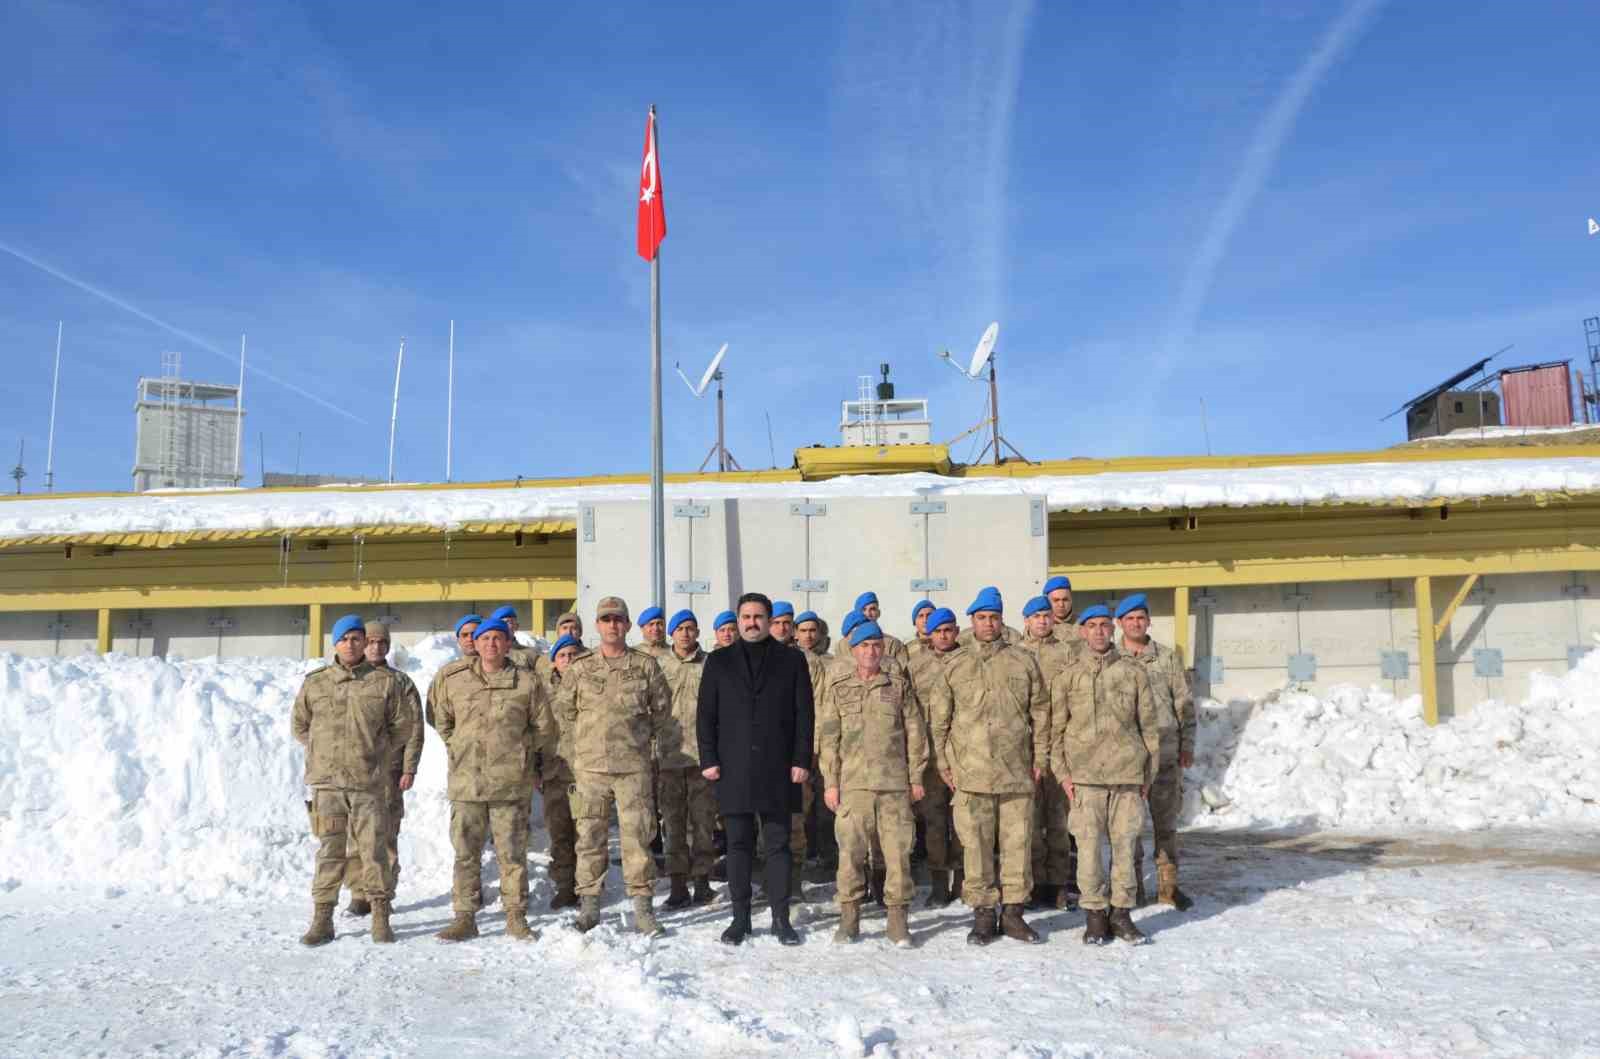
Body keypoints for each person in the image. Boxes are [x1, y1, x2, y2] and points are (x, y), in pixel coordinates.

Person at [932, 587, 1049, 945]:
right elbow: (939, 719)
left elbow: (1041, 712)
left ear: (1002, 621)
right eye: (982, 618)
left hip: (1016, 772)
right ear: (972, 622)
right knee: (977, 847)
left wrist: (1040, 758)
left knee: (1018, 845)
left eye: (994, 617)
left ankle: (1013, 913)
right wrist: (944, 762)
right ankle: (983, 915)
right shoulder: (955, 665)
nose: (988, 623)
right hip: (971, 773)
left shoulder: (1023, 661)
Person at [696, 592, 815, 946]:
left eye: (758, 617)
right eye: (746, 617)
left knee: (778, 845)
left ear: (769, 620)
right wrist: (709, 760)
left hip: (779, 768)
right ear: (738, 619)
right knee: (738, 845)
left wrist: (801, 760)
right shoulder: (718, 661)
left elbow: (804, 716)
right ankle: (740, 918)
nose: (752, 623)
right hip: (733, 768)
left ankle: (781, 918)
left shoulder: (792, 660)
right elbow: (706, 716)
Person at [432, 618, 560, 942]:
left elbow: (544, 728)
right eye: (484, 638)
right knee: (465, 853)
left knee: (512, 855)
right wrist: (460, 746)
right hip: (467, 784)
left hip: (510, 785)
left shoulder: (527, 683)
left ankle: (516, 916)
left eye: (498, 638)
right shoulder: (453, 679)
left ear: (507, 643)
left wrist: (522, 755)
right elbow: (440, 719)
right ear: (474, 643)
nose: (491, 644)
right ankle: (464, 916)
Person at [554, 597, 672, 936]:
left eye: (618, 619)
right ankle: (590, 907)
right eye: (606, 619)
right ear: (597, 625)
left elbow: (662, 712)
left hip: (633, 768)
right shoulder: (580, 667)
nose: (612, 625)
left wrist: (641, 742)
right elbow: (566, 710)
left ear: (628, 624)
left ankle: (643, 910)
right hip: (590, 770)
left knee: (639, 838)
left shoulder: (646, 666)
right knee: (589, 837)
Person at [291, 614, 408, 946]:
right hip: (327, 785)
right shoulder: (316, 683)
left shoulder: (385, 682)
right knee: (330, 851)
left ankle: (381, 916)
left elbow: (402, 727)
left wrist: (375, 753)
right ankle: (322, 919)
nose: (352, 644)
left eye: (358, 638)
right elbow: (300, 725)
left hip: (368, 784)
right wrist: (323, 751)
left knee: (374, 851)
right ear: (336, 643)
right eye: (346, 639)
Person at [1053, 604, 1160, 945]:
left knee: (1126, 847)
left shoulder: (1133, 673)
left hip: (1127, 776)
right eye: (1092, 626)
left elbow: (1149, 728)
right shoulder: (1067, 676)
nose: (1099, 631)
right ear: (1082, 631)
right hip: (1084, 779)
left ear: (1112, 629)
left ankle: (1122, 914)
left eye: (1104, 625)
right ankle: (1095, 915)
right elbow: (1055, 731)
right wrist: (1063, 775)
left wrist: (1148, 775)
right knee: (1087, 851)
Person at [818, 621, 927, 947]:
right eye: (864, 646)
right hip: (853, 786)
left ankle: (897, 922)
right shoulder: (839, 687)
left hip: (894, 785)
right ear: (854, 651)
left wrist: (916, 777)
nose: (871, 651)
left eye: (877, 645)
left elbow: (915, 733)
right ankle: (849, 920)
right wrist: (830, 782)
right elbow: (828, 739)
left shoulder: (897, 686)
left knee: (897, 855)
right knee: (850, 854)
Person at [1115, 593, 1196, 910]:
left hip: (1165, 754)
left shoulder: (1167, 658)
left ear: (1148, 621)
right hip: (1127, 759)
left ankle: (1168, 887)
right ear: (1120, 624)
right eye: (1129, 618)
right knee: (1128, 828)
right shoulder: (1112, 658)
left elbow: (1185, 705)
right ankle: (1131, 888)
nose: (1136, 623)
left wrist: (1187, 745)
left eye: (1140, 618)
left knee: (1166, 826)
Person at [338, 621, 423, 917]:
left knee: (384, 835)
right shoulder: (348, 678)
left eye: (381, 642)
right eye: (370, 641)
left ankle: (383, 894)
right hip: (351, 775)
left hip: (387, 774)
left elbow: (413, 729)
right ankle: (359, 893)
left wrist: (408, 768)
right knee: (352, 836)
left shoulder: (400, 683)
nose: (375, 647)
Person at [1018, 596, 1076, 911]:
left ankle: (1057, 885)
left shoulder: (1067, 653)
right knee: (1027, 821)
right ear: (1025, 621)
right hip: (1023, 747)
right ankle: (1033, 882)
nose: (1041, 621)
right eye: (1035, 616)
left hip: (1059, 743)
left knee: (1058, 821)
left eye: (1045, 615)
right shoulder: (1016, 654)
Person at [657, 609, 717, 909]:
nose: (685, 633)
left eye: (690, 628)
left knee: (703, 823)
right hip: (668, 758)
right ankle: (678, 885)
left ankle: (703, 882)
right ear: (671, 633)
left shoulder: (711, 664)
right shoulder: (658, 665)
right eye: (679, 628)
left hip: (702, 759)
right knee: (673, 824)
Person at [908, 606, 962, 908]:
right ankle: (939, 884)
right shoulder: (916, 666)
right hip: (929, 758)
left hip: (965, 755)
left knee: (965, 823)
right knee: (935, 823)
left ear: (956, 631)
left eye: (949, 630)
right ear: (930, 633)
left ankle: (965, 881)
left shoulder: (969, 661)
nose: (943, 635)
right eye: (938, 630)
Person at [540, 633, 584, 909]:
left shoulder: (592, 686)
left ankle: (588, 887)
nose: (568, 659)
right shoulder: (542, 691)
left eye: (573, 654)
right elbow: (533, 730)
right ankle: (565, 887)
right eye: (562, 655)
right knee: (559, 834)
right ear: (554, 662)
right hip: (554, 772)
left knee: (586, 833)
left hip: (584, 773)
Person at [426, 613, 480, 729]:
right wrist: (455, 740)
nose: (470, 639)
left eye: (474, 634)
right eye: (464, 635)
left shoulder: (500, 668)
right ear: (458, 640)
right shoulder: (446, 673)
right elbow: (433, 715)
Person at [852, 591, 910, 667]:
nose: (868, 614)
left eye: (872, 609)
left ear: (879, 613)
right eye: (863, 610)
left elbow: (902, 674)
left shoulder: (893, 644)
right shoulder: (843, 645)